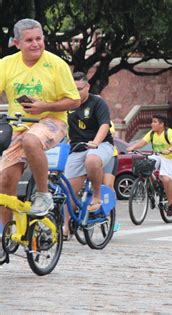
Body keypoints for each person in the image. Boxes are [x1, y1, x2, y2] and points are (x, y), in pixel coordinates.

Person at [0, 19, 80, 244]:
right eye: (29, 40)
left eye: (39, 39)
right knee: (5, 180)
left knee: (32, 140)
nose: (35, 44)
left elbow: (74, 101)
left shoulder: (56, 64)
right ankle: (4, 236)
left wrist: (45, 106)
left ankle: (43, 195)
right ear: (16, 43)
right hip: (21, 126)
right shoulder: (6, 64)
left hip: (53, 122)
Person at [62, 72, 114, 237]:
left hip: (101, 145)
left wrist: (96, 142)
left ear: (88, 87)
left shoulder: (97, 102)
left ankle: (97, 196)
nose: (76, 93)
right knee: (67, 189)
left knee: (92, 160)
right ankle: (65, 227)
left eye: (79, 89)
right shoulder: (67, 104)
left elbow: (104, 125)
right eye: (73, 89)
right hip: (77, 148)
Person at [127, 114, 172, 216]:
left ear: (161, 124)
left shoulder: (169, 132)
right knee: (145, 166)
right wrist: (132, 147)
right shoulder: (152, 133)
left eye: (155, 122)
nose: (152, 124)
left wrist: (169, 150)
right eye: (152, 121)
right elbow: (142, 142)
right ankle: (154, 184)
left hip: (170, 158)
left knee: (166, 179)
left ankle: (171, 203)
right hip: (157, 156)